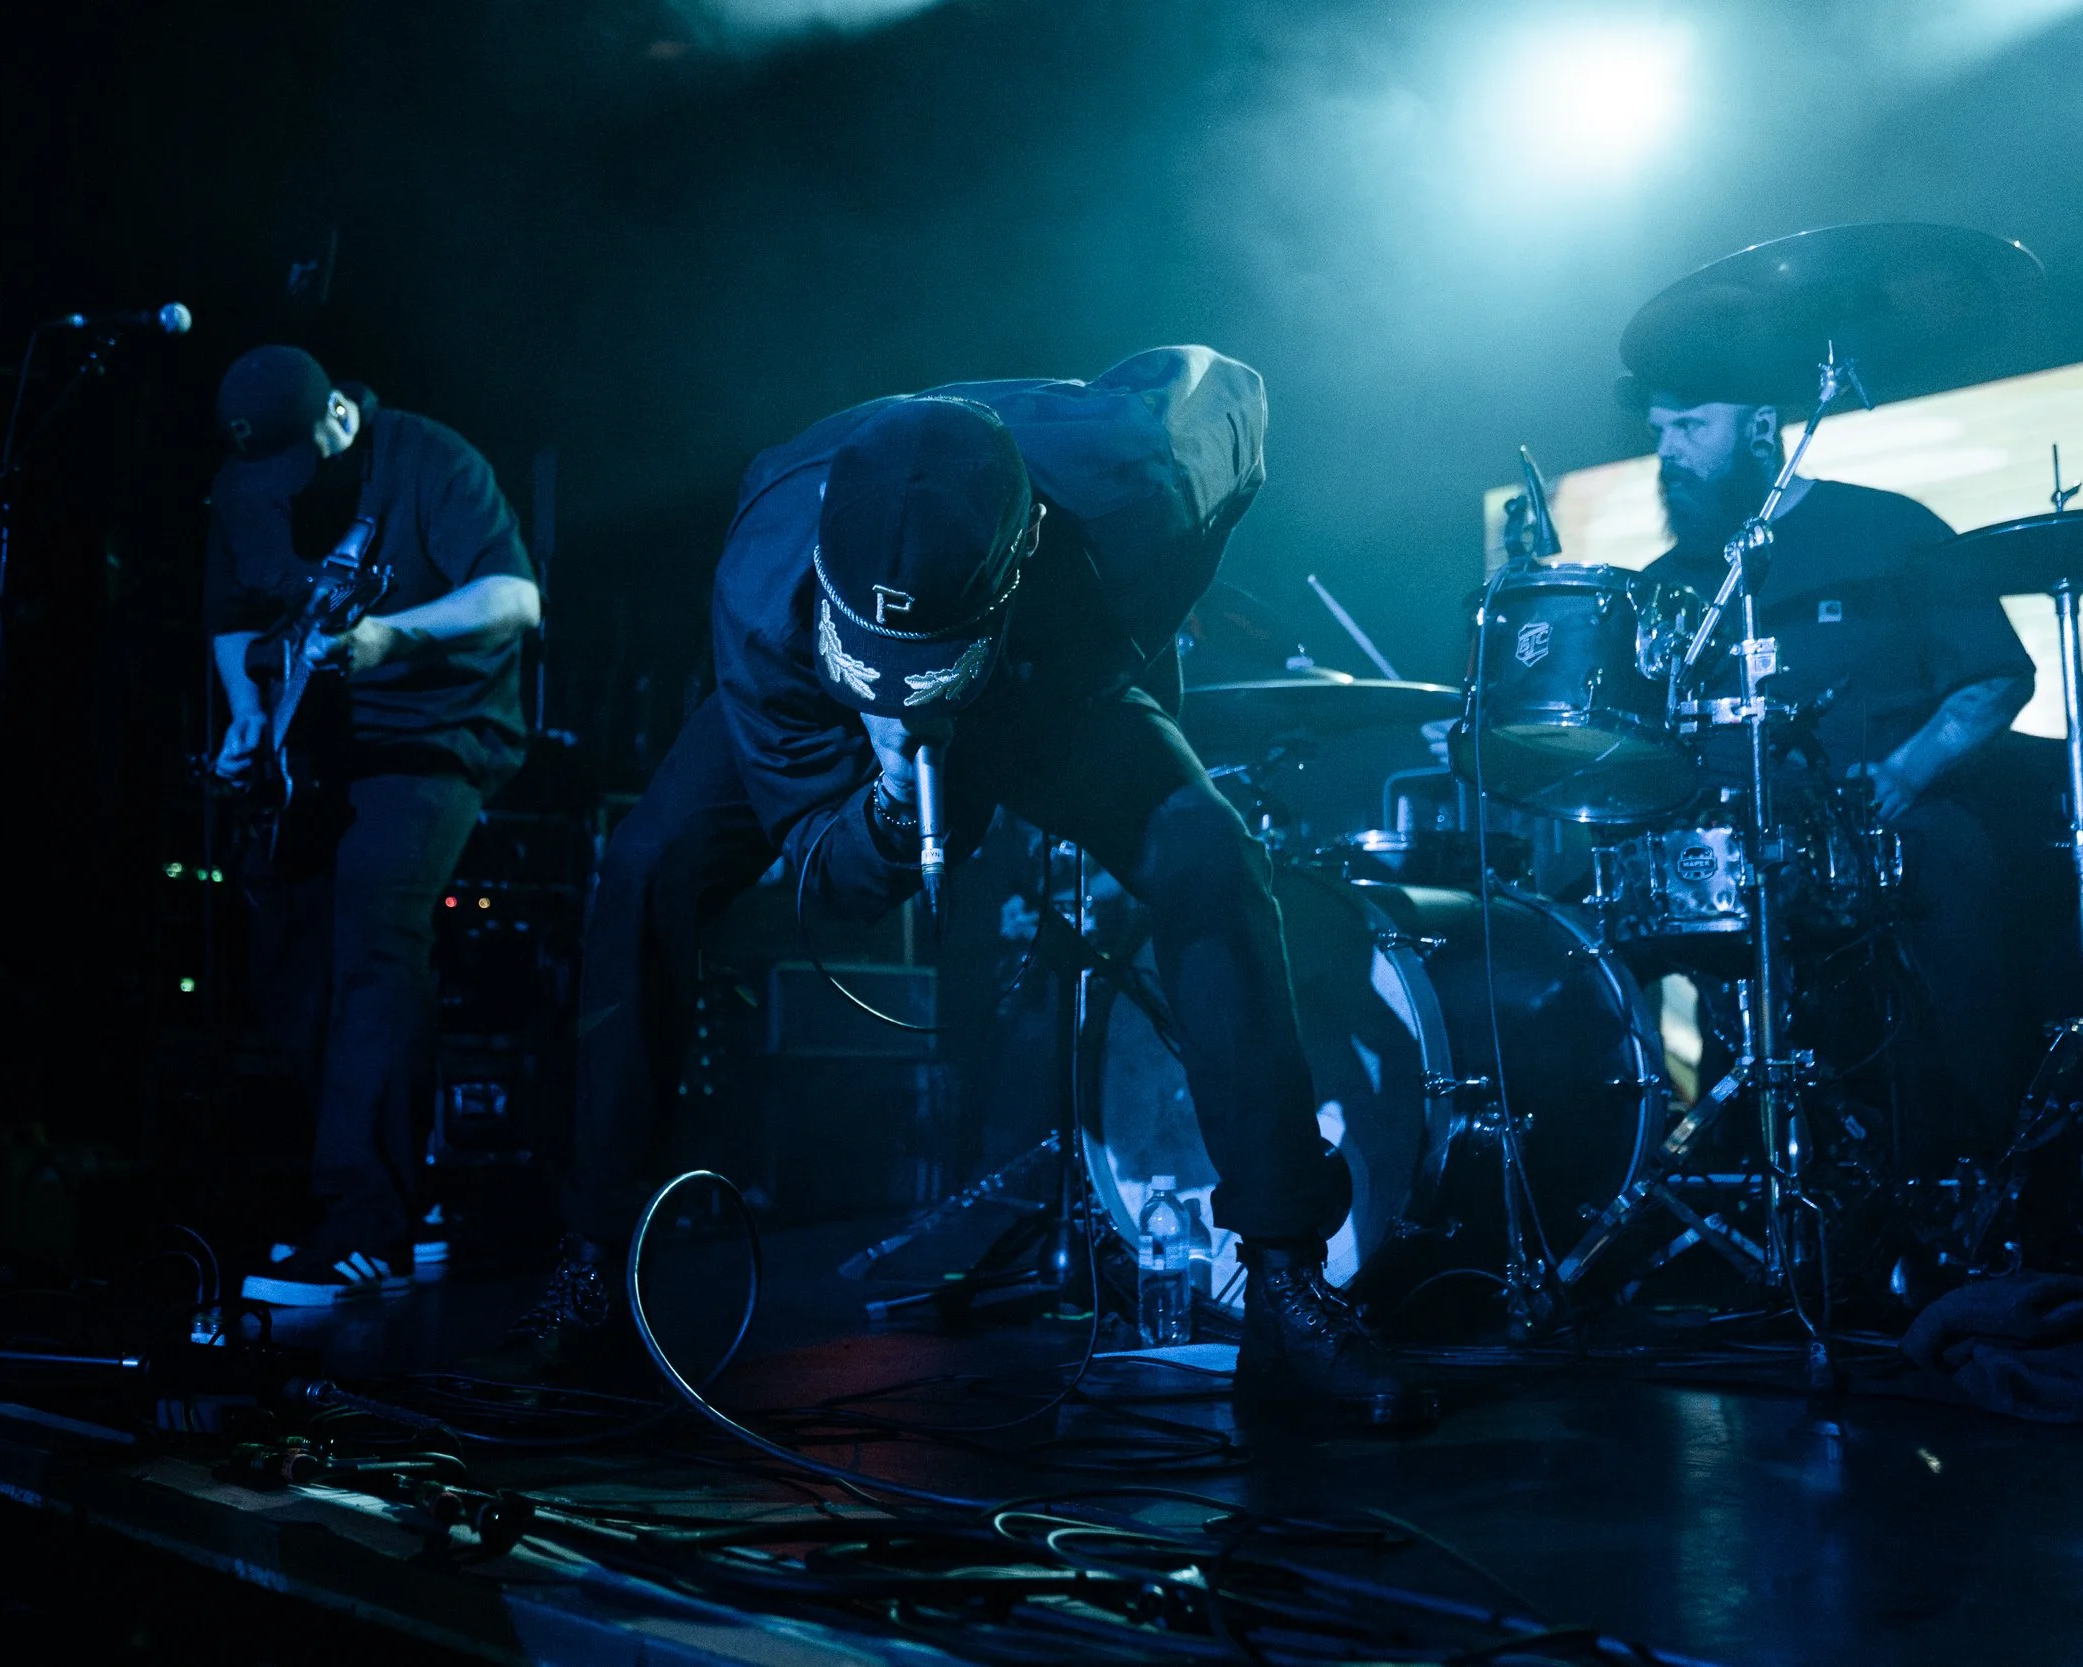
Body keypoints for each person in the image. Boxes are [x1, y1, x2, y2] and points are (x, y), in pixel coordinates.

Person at [545, 346, 1417, 1420]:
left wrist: (1133, 646)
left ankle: (1287, 1282)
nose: (902, 710)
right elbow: (837, 883)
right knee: (645, 864)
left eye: (923, 683)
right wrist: (884, 805)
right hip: (834, 700)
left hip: (1046, 674)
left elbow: (1232, 385)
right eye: (881, 674)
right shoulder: (766, 591)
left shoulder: (1144, 482)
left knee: (1210, 855)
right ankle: (590, 1266)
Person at [203, 345, 542, 1304]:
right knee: (284, 954)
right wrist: (247, 717)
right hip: (318, 744)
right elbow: (232, 610)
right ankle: (409, 1187)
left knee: (375, 931)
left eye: (299, 466)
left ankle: (367, 1225)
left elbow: (517, 599)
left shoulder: (432, 461)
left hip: (441, 736)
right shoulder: (247, 482)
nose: (283, 490)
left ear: (342, 416)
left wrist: (398, 635)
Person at [1638, 391, 2036, 1169]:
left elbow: (1994, 679)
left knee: (1951, 879)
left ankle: (1985, 1188)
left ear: (1760, 426)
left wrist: (1904, 771)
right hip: (1729, 858)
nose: (1668, 451)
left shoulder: (1887, 530)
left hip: (1892, 828)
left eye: (1690, 427)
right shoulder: (1666, 588)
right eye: (1658, 432)